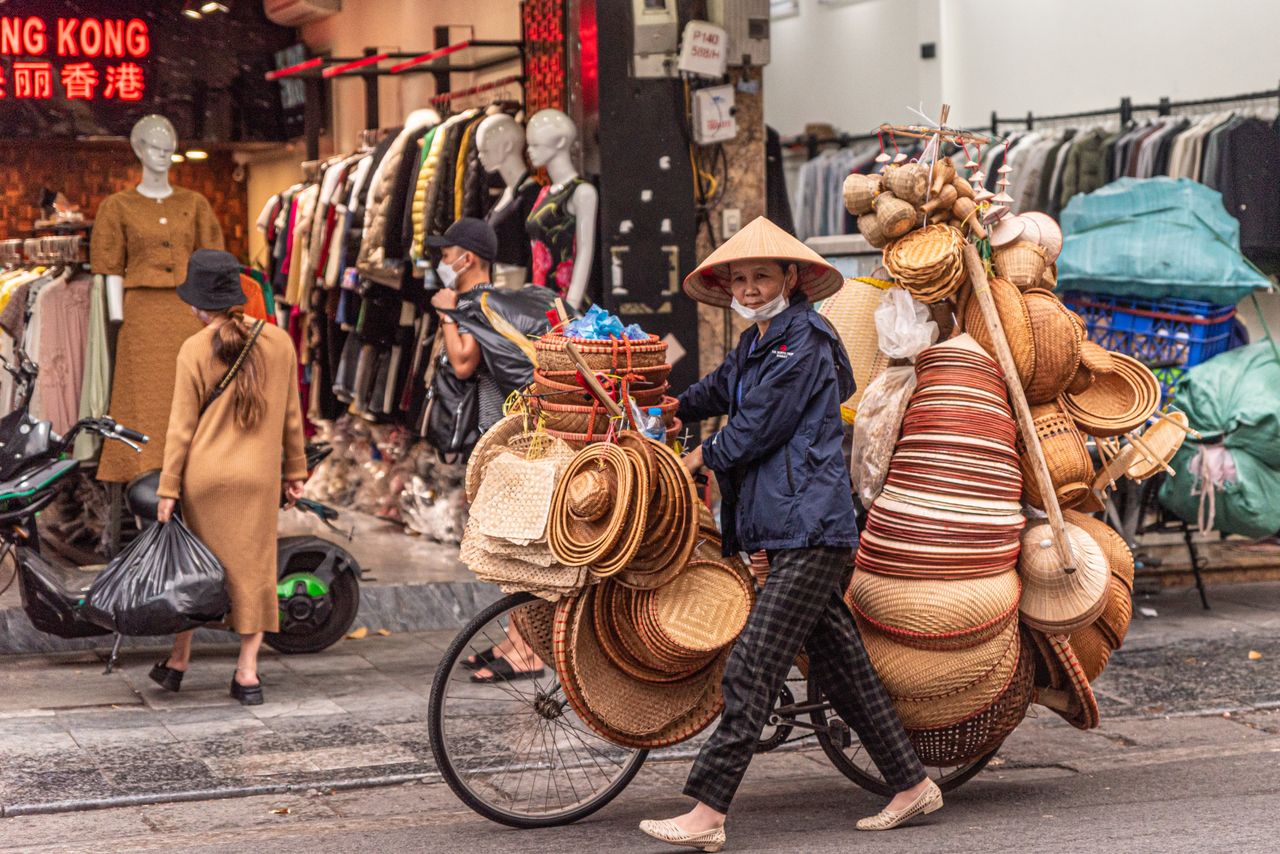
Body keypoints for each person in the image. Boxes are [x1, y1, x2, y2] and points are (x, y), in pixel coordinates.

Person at [639, 217, 941, 852]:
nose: (749, 288)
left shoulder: (802, 339)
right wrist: (674, 407)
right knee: (843, 666)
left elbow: (756, 425)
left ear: (792, 279)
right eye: (741, 279)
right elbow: (721, 388)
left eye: (762, 276)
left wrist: (701, 456)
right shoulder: (761, 339)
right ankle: (912, 785)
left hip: (811, 526)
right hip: (787, 529)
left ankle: (707, 812)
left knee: (751, 665)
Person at [150, 249, 308, 706]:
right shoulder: (279, 342)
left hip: (205, 480)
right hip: (257, 480)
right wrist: (294, 470)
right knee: (253, 573)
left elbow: (180, 428)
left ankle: (179, 662)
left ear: (199, 304)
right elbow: (291, 418)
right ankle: (247, 674)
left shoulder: (193, 349)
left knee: (195, 571)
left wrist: (168, 487)